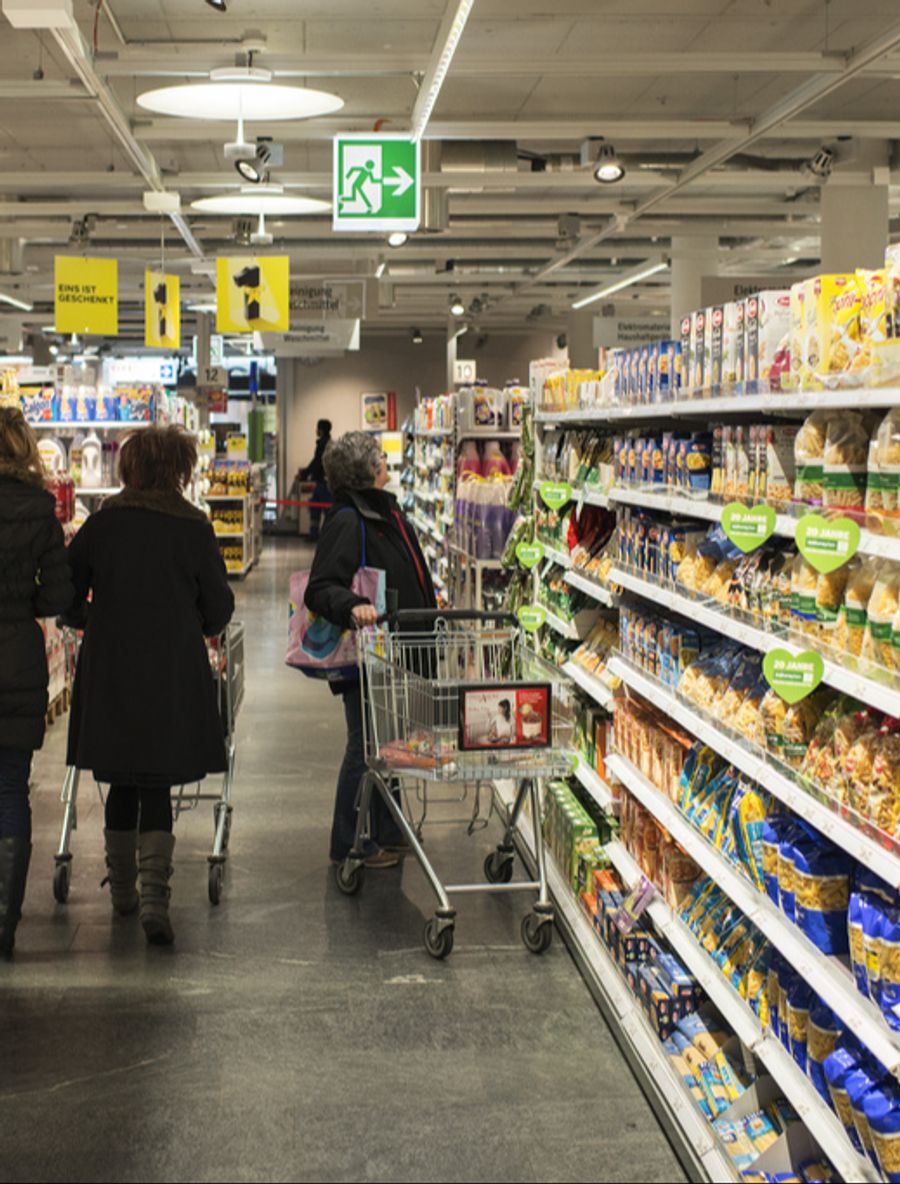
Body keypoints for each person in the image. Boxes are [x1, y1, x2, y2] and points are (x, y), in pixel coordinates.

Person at [62, 426, 234, 946]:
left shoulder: (103, 523)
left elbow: (67, 595)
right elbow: (219, 608)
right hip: (172, 668)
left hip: (111, 666)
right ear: (178, 469)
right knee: (156, 783)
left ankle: (122, 897)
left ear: (130, 467)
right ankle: (156, 901)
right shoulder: (194, 526)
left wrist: (96, 616)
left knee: (120, 779)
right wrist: (192, 624)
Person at [305, 431, 436, 870]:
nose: (387, 461)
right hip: (367, 656)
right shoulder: (349, 519)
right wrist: (353, 606)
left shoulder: (385, 511)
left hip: (395, 653)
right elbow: (320, 588)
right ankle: (349, 844)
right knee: (365, 745)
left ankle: (388, 830)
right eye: (380, 456)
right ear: (365, 471)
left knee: (388, 742)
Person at [0, 407, 73, 959]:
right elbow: (57, 597)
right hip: (17, 659)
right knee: (10, 790)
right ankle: (4, 924)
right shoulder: (42, 510)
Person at [298, 418, 332, 541]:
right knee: (315, 507)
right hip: (322, 481)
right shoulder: (328, 443)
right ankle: (315, 534)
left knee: (325, 510)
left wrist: (305, 474)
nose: (316, 431)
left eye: (318, 428)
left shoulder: (323, 444)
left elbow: (317, 462)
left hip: (323, 482)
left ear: (321, 430)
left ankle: (324, 536)